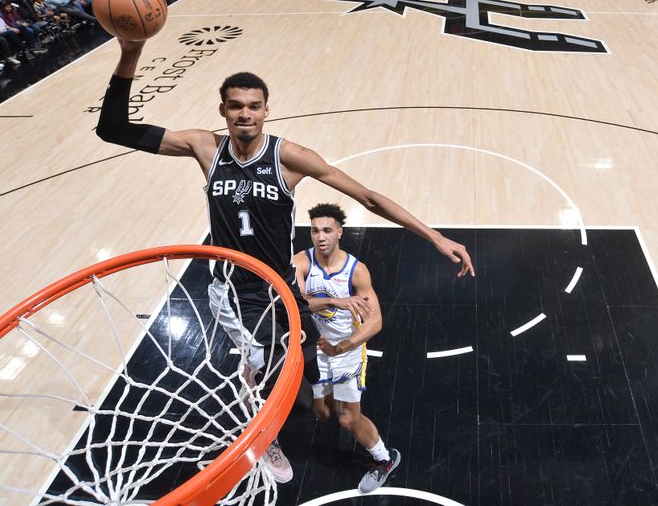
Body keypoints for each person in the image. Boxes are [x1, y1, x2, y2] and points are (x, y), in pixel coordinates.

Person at [95, 39, 474, 484]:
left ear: (267, 109)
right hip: (234, 289)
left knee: (301, 360)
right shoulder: (204, 147)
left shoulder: (288, 157)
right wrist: (132, 51)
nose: (245, 114)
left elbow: (369, 198)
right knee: (262, 366)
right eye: (235, 106)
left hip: (279, 285)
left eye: (254, 106)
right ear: (222, 110)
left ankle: (308, 402)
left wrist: (433, 237)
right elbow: (113, 128)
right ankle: (264, 436)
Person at [293, 203, 400, 494]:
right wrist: (334, 301)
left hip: (346, 350)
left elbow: (375, 321)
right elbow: (296, 302)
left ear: (340, 232)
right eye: (315, 230)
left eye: (327, 230)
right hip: (318, 349)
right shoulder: (301, 262)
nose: (320, 236)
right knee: (323, 414)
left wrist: (341, 347)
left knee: (347, 419)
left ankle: (384, 459)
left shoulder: (356, 271)